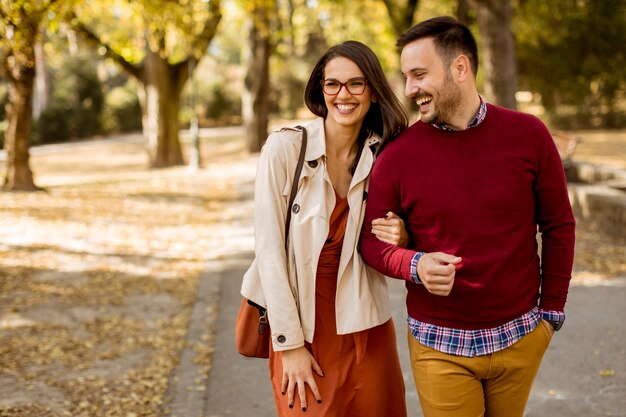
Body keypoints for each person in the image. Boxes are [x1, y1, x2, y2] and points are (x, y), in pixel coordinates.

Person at [359, 16, 576, 417]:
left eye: (419, 74)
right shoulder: (397, 156)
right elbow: (370, 242)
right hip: (439, 345)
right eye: (407, 77)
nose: (410, 89)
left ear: (460, 68)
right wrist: (415, 264)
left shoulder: (529, 135)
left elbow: (559, 225)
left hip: (520, 336)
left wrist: (551, 314)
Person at [241, 40, 409, 417]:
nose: (342, 95)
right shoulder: (284, 149)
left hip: (366, 322)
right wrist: (290, 344)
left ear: (374, 91)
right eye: (332, 84)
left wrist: (403, 234)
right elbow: (269, 252)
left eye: (356, 84)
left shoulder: (384, 153)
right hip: (303, 322)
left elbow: (407, 227)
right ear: (320, 89)